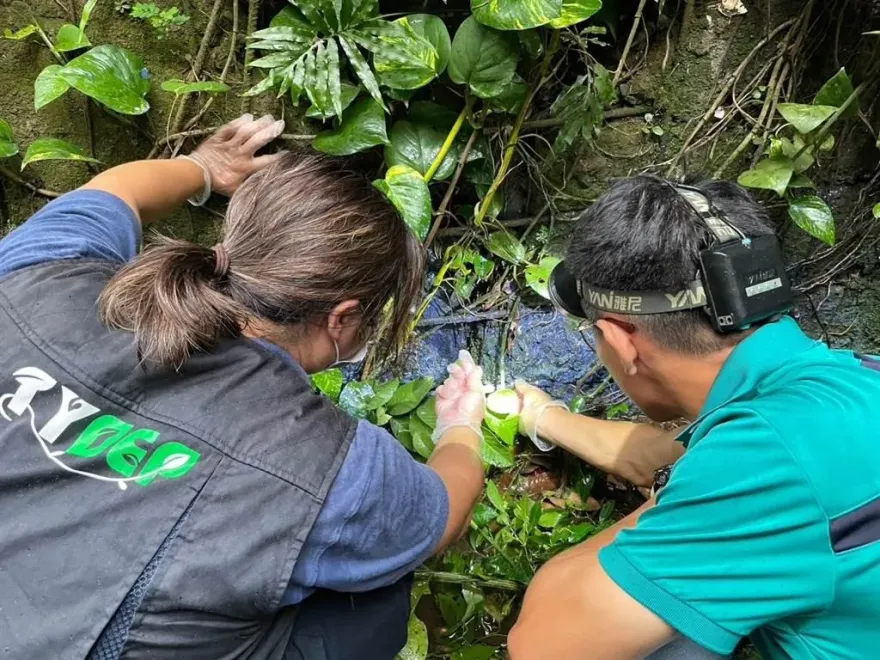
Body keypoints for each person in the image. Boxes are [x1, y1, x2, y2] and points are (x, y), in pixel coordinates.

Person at [0, 114, 490, 660]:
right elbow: (443, 512)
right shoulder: (329, 468)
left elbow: (115, 190)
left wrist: (203, 167)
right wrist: (461, 426)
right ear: (344, 318)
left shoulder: (48, 270)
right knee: (378, 599)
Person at [507, 176, 880, 659]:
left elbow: (544, 646)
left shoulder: (764, 464)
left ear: (621, 341)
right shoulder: (851, 379)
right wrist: (542, 416)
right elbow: (675, 457)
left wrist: (673, 500)